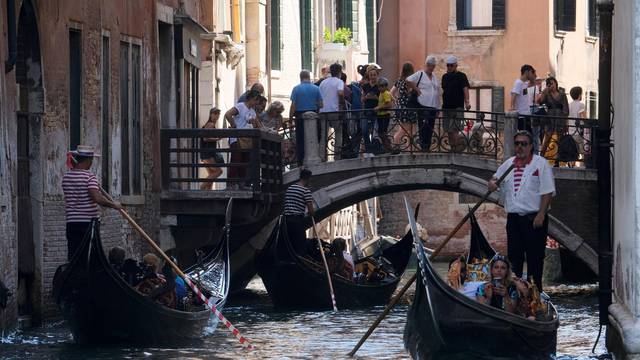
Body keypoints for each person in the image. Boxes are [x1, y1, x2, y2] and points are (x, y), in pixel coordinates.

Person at [488, 131, 556, 290]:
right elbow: (495, 179)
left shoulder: (541, 164)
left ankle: (535, 296)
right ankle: (514, 294)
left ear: (531, 146)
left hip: (534, 219)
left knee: (535, 261)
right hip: (514, 220)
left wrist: (541, 214)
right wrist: (491, 183)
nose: (520, 147)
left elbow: (547, 191)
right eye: (517, 143)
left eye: (524, 144)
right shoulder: (509, 164)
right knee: (514, 261)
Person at [62, 145, 121, 260]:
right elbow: (97, 198)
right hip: (88, 223)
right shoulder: (90, 177)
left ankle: (76, 276)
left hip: (72, 222)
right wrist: (114, 205)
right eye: (92, 160)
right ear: (89, 160)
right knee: (91, 255)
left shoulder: (66, 177)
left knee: (74, 254)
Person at [224, 90, 262, 189]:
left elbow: (258, 125)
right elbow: (228, 114)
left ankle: (241, 183)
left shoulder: (252, 112)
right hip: (236, 137)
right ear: (251, 99)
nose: (256, 103)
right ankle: (231, 184)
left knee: (244, 160)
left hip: (246, 139)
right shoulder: (240, 106)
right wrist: (233, 125)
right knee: (236, 159)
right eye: (256, 101)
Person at [406, 55, 440, 151]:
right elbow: (408, 80)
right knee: (423, 127)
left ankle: (427, 147)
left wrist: (438, 108)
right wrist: (416, 88)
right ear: (426, 65)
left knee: (430, 128)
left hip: (433, 106)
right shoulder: (420, 73)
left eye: (433, 65)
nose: (431, 67)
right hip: (423, 105)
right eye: (429, 65)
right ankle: (423, 147)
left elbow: (437, 93)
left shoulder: (434, 77)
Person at [290, 70, 323, 165]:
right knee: (316, 136)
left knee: (300, 138)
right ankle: (315, 156)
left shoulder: (296, 89)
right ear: (309, 77)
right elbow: (321, 104)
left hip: (299, 116)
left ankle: (301, 161)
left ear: (300, 78)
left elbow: (293, 106)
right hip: (313, 114)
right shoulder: (316, 88)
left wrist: (291, 118)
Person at [441, 55, 471, 152]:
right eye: (448, 65)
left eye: (451, 65)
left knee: (455, 129)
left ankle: (456, 150)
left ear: (455, 65)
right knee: (448, 130)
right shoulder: (444, 77)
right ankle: (452, 148)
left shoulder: (462, 76)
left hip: (457, 107)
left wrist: (467, 102)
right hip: (446, 108)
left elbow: (465, 89)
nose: (449, 67)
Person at [283, 169, 315, 255]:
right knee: (300, 246)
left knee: (290, 243)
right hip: (297, 221)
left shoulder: (290, 188)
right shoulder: (306, 191)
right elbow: (311, 211)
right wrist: (310, 213)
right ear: (308, 179)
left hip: (286, 220)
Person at [319, 63, 346, 159]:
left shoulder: (323, 82)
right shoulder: (339, 82)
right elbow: (340, 93)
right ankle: (337, 156)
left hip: (323, 111)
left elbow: (319, 97)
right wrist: (342, 102)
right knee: (338, 132)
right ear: (339, 72)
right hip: (334, 111)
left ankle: (322, 156)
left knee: (324, 134)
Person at [538, 76, 569, 155]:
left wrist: (565, 121)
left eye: (552, 83)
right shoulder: (547, 93)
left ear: (556, 83)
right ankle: (542, 156)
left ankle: (558, 159)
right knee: (546, 139)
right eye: (549, 84)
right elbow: (540, 102)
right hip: (549, 119)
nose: (551, 85)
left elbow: (565, 108)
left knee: (559, 139)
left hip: (560, 118)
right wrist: (545, 91)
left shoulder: (562, 94)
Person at [391, 62, 417, 151]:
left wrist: (397, 102)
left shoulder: (399, 81)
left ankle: (409, 149)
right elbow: (411, 94)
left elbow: (391, 93)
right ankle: (396, 146)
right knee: (405, 130)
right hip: (408, 108)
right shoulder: (409, 81)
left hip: (400, 108)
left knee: (408, 130)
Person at [510, 65, 538, 148]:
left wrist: (534, 75)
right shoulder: (518, 83)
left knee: (528, 138)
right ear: (526, 72)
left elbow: (533, 83)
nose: (533, 74)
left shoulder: (524, 83)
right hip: (522, 116)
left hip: (526, 115)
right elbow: (514, 94)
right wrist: (512, 107)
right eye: (532, 72)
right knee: (526, 139)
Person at [200, 107, 224, 190]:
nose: (217, 115)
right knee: (219, 171)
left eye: (218, 114)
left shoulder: (209, 124)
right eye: (215, 113)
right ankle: (202, 187)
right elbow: (205, 138)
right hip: (208, 153)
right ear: (210, 115)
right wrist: (217, 139)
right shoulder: (211, 124)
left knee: (212, 174)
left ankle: (207, 193)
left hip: (205, 153)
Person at [361, 65, 381, 155]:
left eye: (374, 75)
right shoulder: (365, 86)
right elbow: (362, 99)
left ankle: (373, 149)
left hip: (376, 111)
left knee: (374, 131)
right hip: (367, 110)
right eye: (371, 75)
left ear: (377, 75)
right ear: (369, 76)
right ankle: (368, 148)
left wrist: (376, 98)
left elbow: (383, 99)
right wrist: (366, 97)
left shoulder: (380, 86)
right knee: (365, 130)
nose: (373, 77)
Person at [374, 77, 393, 153]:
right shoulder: (382, 93)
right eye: (379, 86)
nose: (380, 88)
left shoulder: (385, 93)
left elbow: (389, 104)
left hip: (384, 115)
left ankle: (388, 147)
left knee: (383, 132)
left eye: (382, 86)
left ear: (386, 86)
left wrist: (379, 107)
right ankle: (387, 147)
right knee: (381, 132)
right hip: (381, 115)